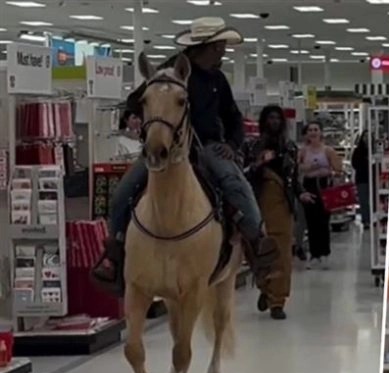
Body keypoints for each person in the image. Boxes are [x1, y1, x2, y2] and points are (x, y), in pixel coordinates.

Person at [91, 17, 278, 293]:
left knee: (234, 182)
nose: (224, 50)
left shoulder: (217, 79)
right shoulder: (169, 72)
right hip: (168, 146)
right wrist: (136, 117)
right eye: (221, 45)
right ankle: (115, 253)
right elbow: (136, 101)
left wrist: (233, 145)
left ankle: (257, 242)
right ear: (210, 46)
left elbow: (233, 118)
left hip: (209, 147)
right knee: (124, 192)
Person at [244, 105, 315, 320]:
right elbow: (244, 174)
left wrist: (301, 193)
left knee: (283, 256)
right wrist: (259, 163)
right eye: (270, 118)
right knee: (259, 253)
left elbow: (293, 178)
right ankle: (265, 289)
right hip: (258, 206)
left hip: (283, 207)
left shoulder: (290, 148)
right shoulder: (252, 147)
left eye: (277, 118)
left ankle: (278, 301)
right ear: (263, 121)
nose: (274, 121)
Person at [299, 121, 343, 269]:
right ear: (307, 134)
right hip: (309, 186)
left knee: (324, 220)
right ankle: (314, 254)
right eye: (310, 130)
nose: (313, 132)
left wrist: (329, 171)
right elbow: (296, 168)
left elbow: (338, 168)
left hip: (324, 185)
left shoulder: (328, 150)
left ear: (320, 132)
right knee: (311, 222)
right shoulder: (303, 151)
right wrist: (309, 167)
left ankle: (325, 253)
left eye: (316, 129)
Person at [351, 130, 371, 229]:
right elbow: (354, 164)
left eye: (369, 136)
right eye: (365, 136)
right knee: (364, 200)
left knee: (374, 200)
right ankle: (366, 220)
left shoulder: (375, 150)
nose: (367, 139)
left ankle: (374, 218)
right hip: (362, 178)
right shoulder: (358, 151)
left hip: (373, 178)